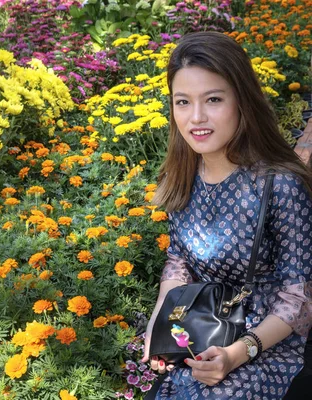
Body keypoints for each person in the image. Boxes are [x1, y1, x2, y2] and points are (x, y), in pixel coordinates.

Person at [141, 31, 312, 399]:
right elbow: (178, 261)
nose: (196, 117)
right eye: (183, 102)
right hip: (202, 325)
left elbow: (297, 297)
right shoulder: (180, 175)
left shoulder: (279, 184)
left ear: (242, 102)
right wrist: (160, 325)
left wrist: (236, 355)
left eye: (213, 99)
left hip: (266, 339)